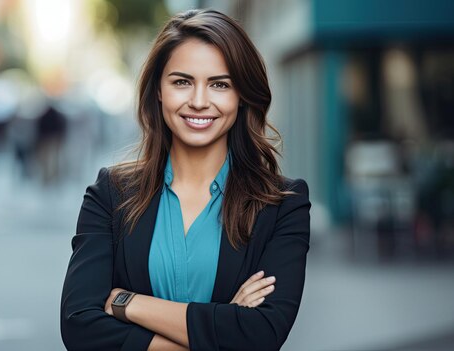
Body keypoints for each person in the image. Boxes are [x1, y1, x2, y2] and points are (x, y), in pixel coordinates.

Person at [60, 9, 311, 351]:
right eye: (182, 82)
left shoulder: (282, 203)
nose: (198, 101)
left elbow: (261, 334)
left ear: (241, 97)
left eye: (220, 84)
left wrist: (126, 303)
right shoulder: (111, 193)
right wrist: (222, 324)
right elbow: (80, 328)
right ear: (159, 91)